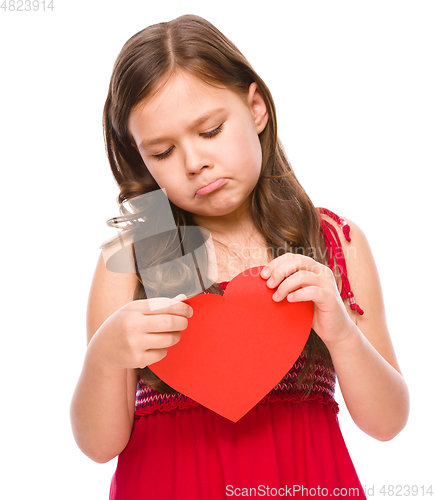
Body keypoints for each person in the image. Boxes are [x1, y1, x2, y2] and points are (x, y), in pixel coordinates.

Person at [70, 14, 409, 499]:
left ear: (256, 108)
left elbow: (388, 422)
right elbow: (99, 445)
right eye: (163, 152)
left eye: (209, 131)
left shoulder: (335, 241)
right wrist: (104, 359)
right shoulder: (136, 255)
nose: (193, 162)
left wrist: (341, 332)